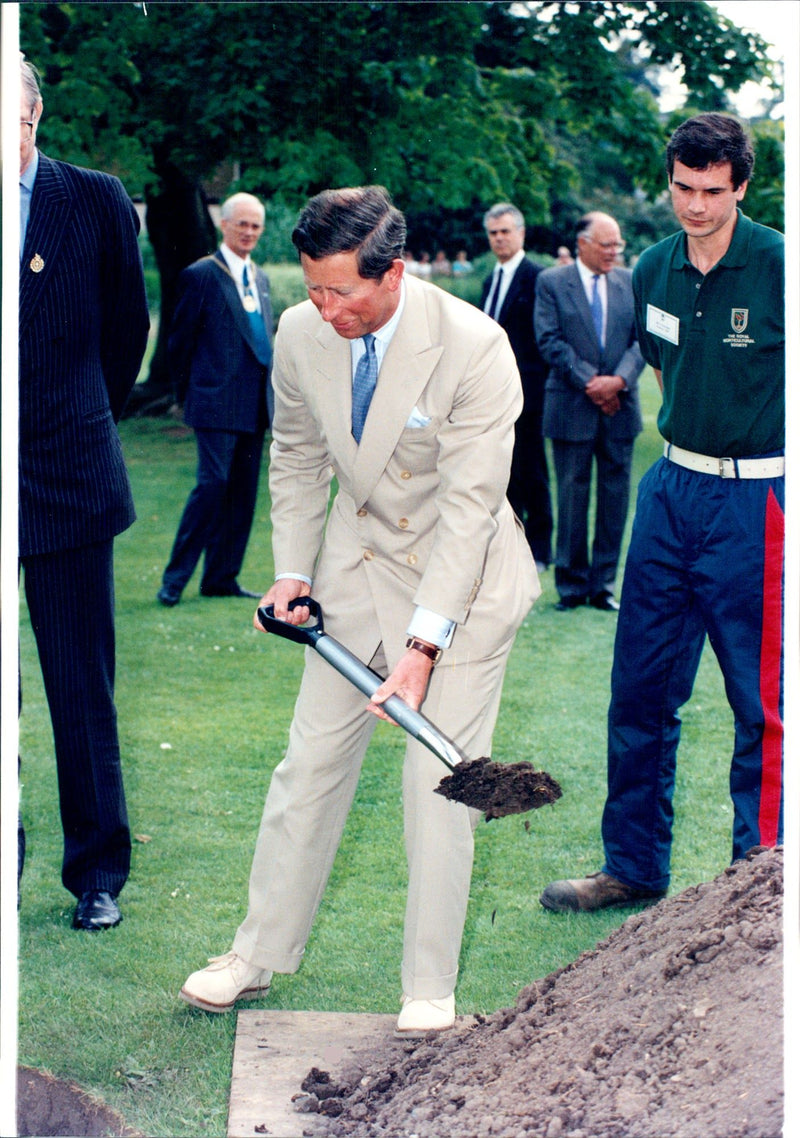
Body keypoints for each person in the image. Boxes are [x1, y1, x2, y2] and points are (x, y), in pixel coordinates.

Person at [180, 186, 539, 1033]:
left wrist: (423, 647)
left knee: (439, 781)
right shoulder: (303, 333)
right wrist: (290, 572)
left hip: (464, 588)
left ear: (394, 272)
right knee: (308, 766)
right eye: (312, 288)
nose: (326, 308)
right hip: (351, 573)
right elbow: (299, 457)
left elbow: (468, 509)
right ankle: (256, 953)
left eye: (343, 292)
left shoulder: (473, 346)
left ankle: (428, 987)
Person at [540, 113, 784, 913]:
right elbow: (660, 365)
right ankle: (633, 866)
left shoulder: (780, 264)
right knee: (640, 691)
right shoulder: (650, 267)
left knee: (764, 706)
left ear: (741, 186)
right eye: (684, 188)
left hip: (760, 500)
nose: (697, 207)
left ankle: (762, 889)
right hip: (672, 491)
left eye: (714, 192)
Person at [18, 58, 149, 930]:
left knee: (78, 684)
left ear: (30, 117)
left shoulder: (94, 198)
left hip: (68, 473)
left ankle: (97, 874)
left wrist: (73, 415)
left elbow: (127, 332)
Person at [156, 193, 273, 606]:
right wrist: (187, 394)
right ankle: (174, 581)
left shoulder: (260, 278)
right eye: (242, 223)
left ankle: (222, 578)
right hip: (213, 403)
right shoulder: (202, 274)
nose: (249, 232)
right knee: (213, 486)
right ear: (224, 225)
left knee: (242, 495)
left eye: (256, 225)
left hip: (255, 404)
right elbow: (179, 341)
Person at [535, 212, 645, 611]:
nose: (614, 252)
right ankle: (571, 586)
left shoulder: (630, 281)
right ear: (582, 243)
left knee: (616, 499)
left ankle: (604, 586)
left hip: (621, 405)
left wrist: (618, 381)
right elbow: (549, 341)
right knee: (571, 496)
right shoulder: (551, 282)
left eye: (618, 244)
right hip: (570, 406)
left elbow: (642, 341)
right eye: (607, 244)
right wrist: (592, 383)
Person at [480, 203, 552, 570]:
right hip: (492, 392)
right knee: (501, 470)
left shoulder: (537, 277)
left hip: (529, 389)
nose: (499, 239)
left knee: (532, 468)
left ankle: (540, 549)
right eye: (493, 233)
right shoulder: (490, 280)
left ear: (521, 233)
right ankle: (509, 543)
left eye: (506, 231)